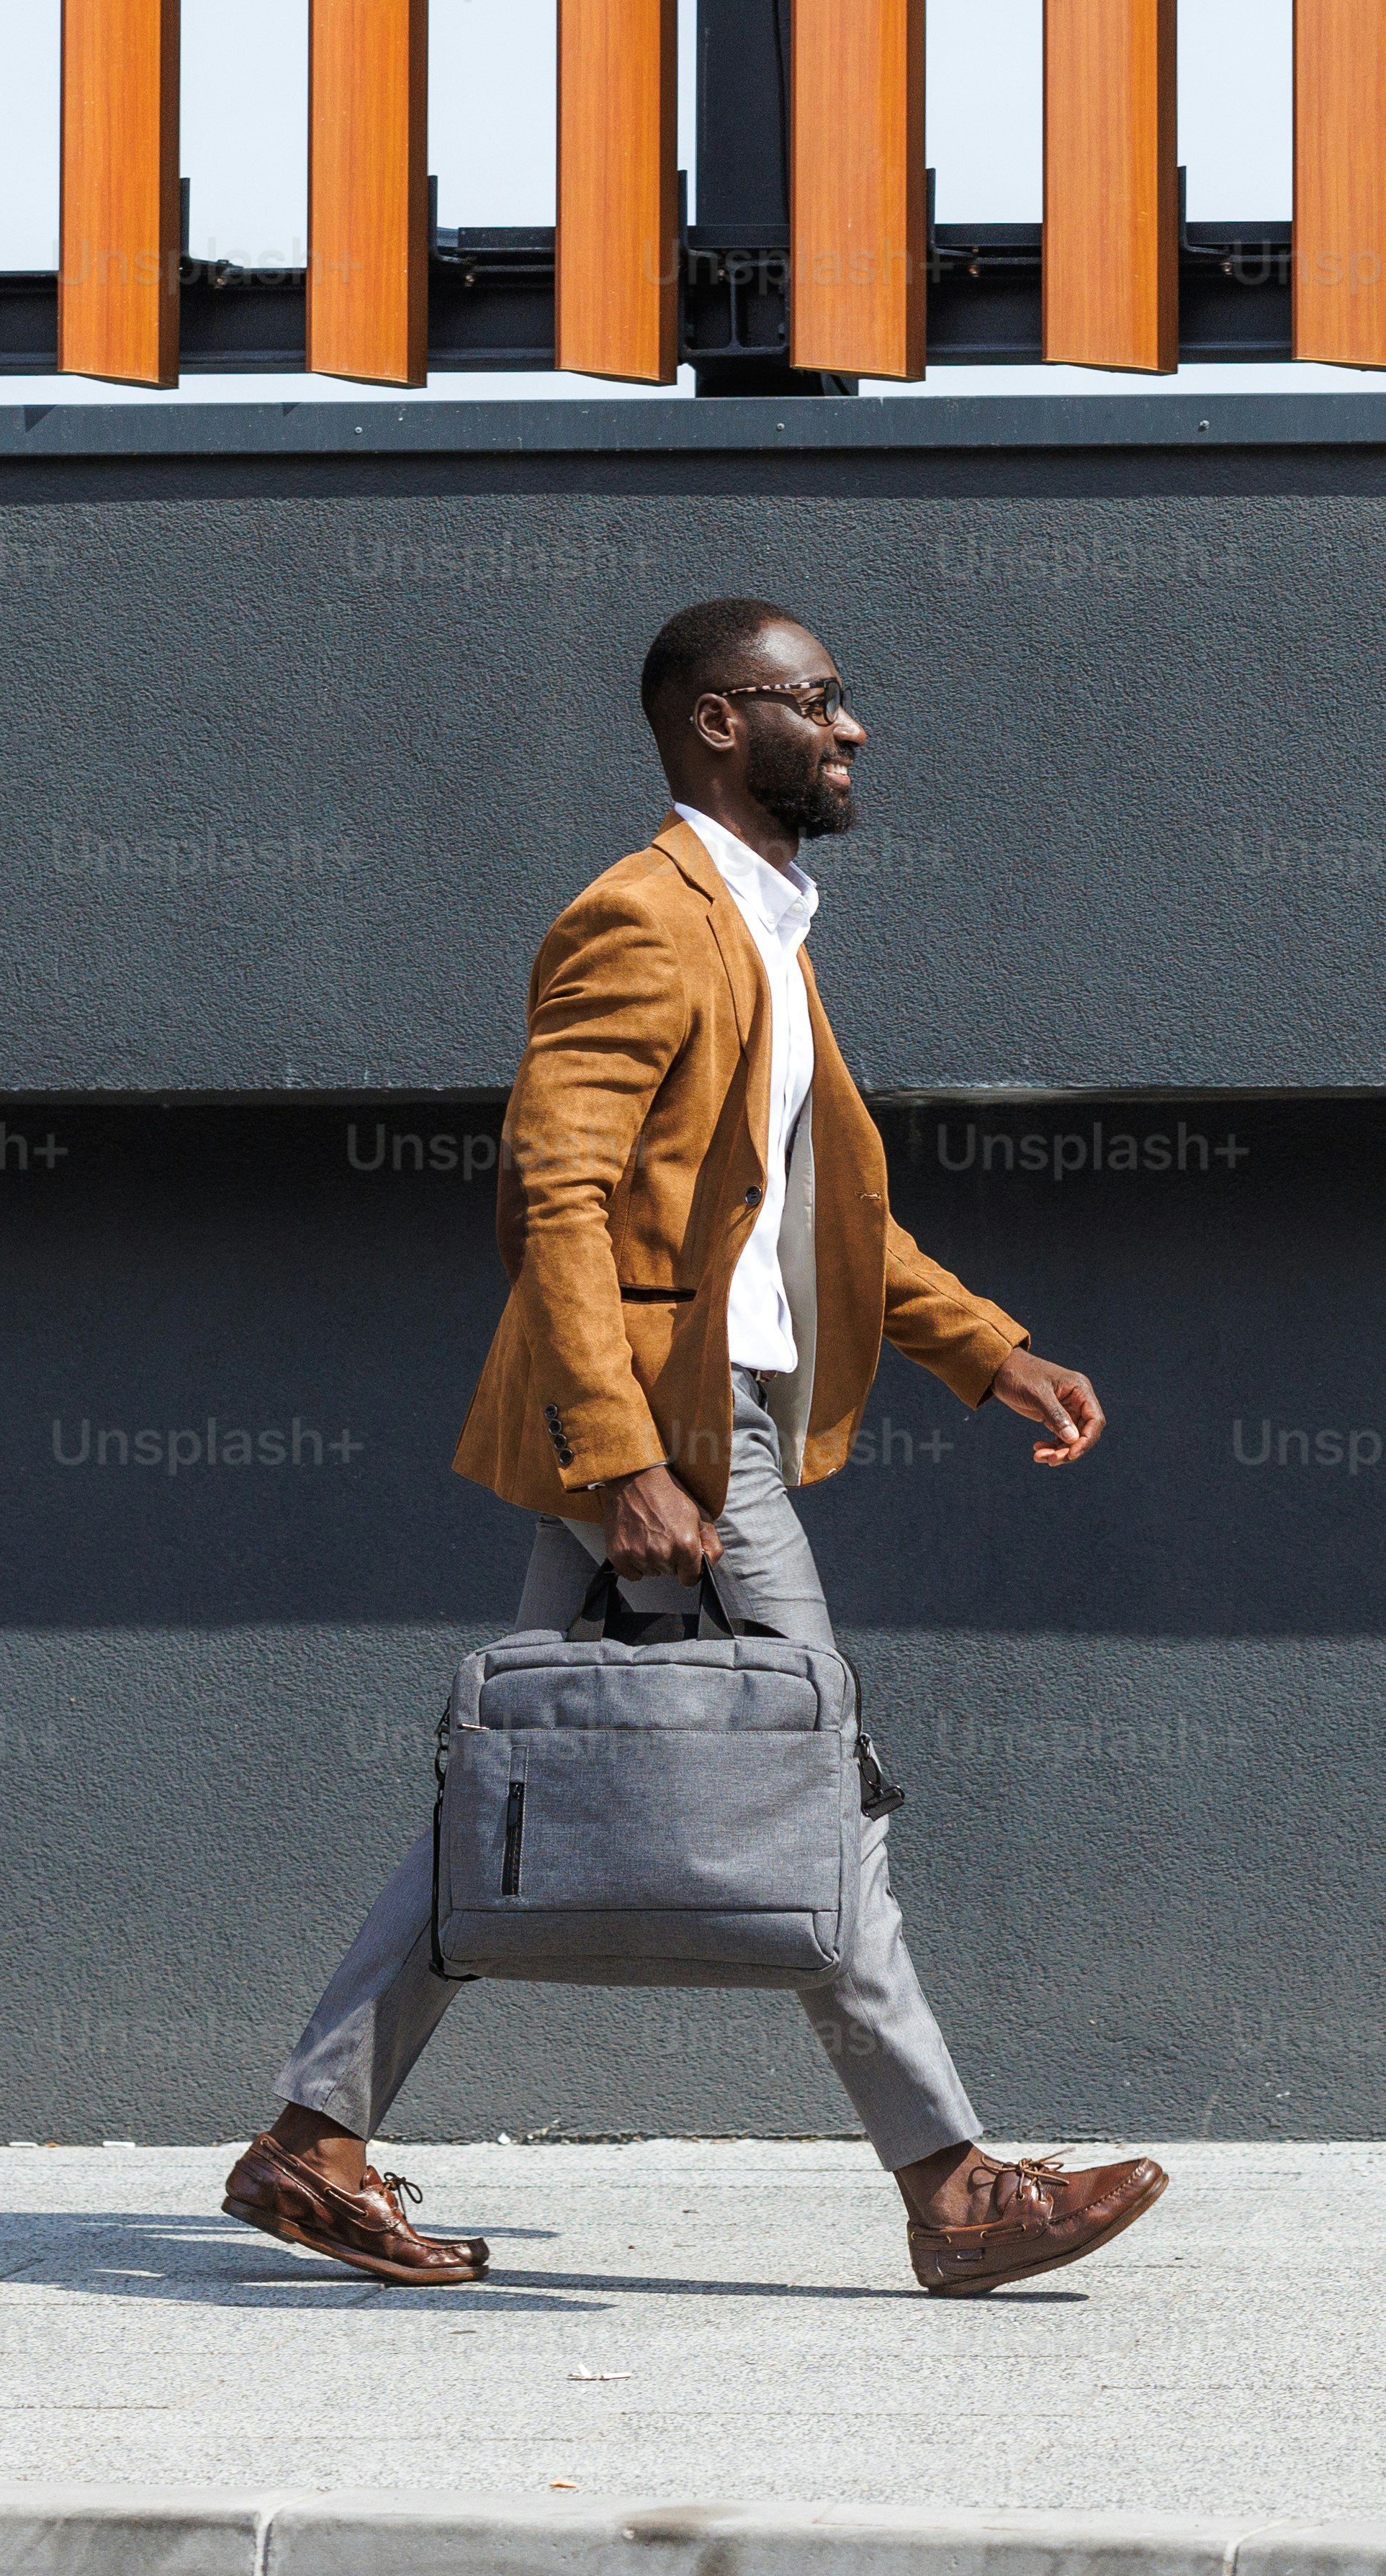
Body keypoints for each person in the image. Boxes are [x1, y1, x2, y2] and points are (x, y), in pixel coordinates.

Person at [232, 599, 1173, 2299]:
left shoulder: (762, 927)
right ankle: (953, 2185)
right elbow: (557, 1197)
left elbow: (809, 1219)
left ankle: (315, 2133)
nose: (852, 726)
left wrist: (985, 1348)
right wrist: (621, 1458)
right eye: (820, 698)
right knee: (812, 1767)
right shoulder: (643, 916)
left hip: (689, 1415)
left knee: (520, 1782)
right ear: (721, 722)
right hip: (670, 1426)